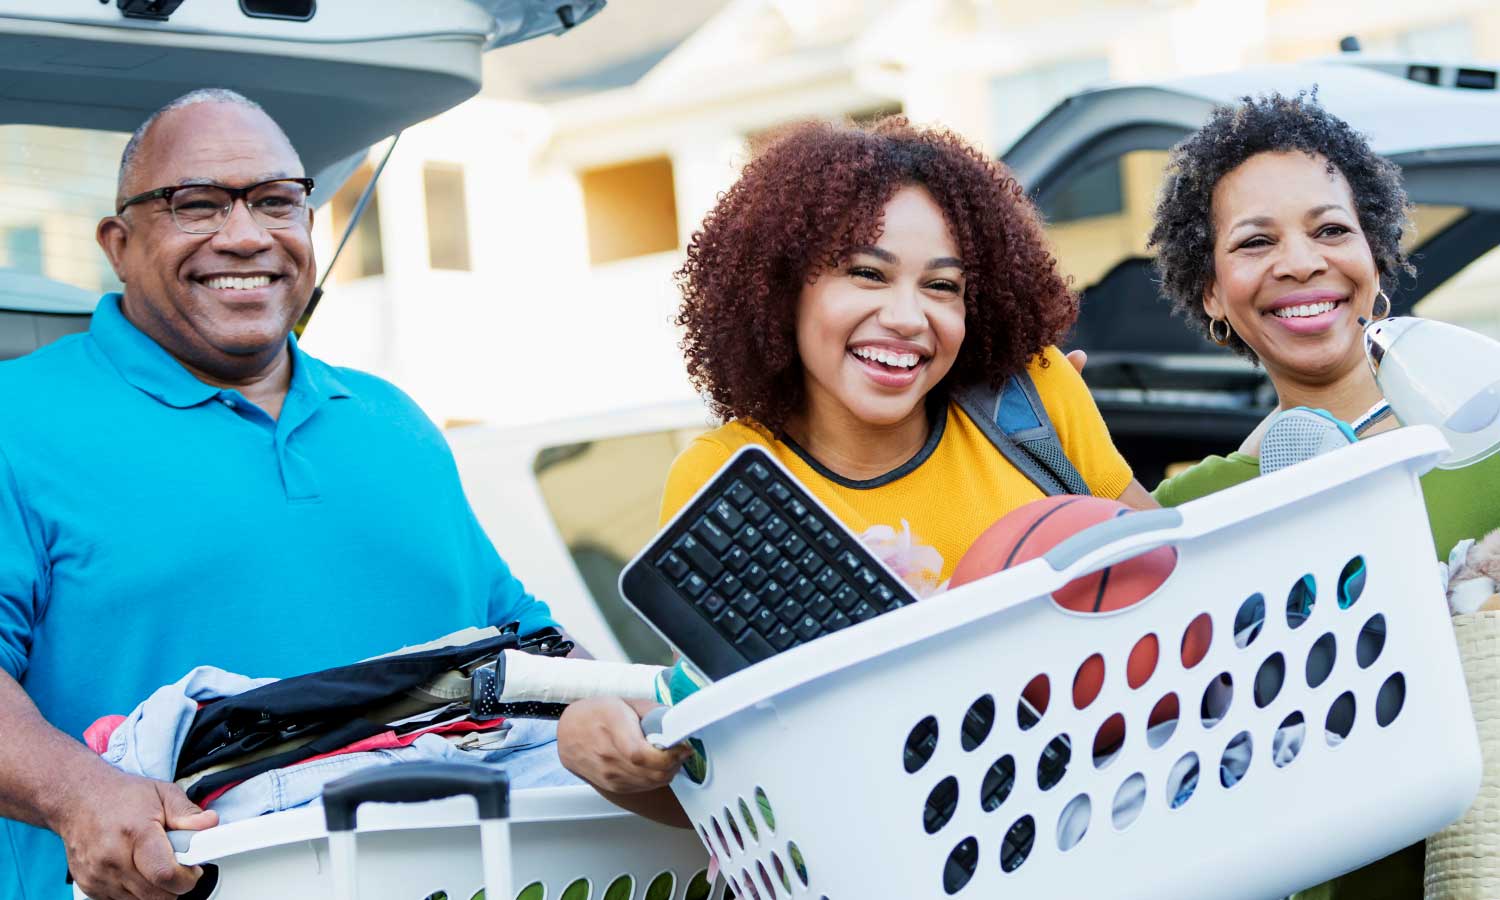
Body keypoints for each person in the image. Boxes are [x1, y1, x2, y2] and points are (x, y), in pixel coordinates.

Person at [0, 89, 562, 900]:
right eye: (195, 205)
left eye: (276, 202)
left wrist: (630, 717)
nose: (245, 235)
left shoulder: (391, 421)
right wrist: (83, 796)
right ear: (118, 244)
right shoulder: (19, 419)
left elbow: (522, 648)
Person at [558, 116, 1155, 822]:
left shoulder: (1034, 393)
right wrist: (609, 759)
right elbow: (741, 782)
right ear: (782, 290)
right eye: (866, 273)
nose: (907, 316)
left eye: (942, 286)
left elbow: (1175, 589)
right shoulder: (729, 480)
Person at [1146, 91, 1500, 899]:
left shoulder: (1488, 412)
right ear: (1210, 291)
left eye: (1331, 229)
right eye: (1256, 241)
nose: (1301, 262)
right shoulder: (1205, 506)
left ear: (1374, 253)